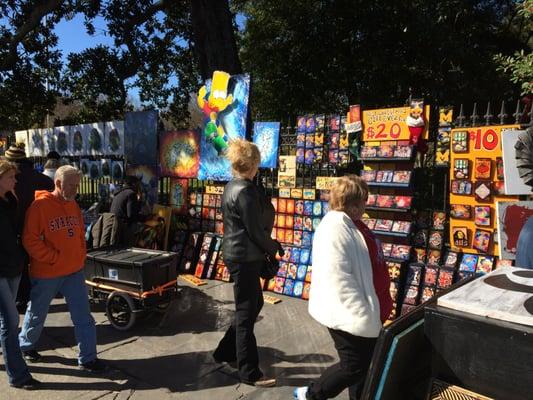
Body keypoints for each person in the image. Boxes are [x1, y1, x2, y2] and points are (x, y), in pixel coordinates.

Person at [294, 175, 392, 400]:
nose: (366, 206)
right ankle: (311, 394)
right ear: (353, 203)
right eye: (363, 201)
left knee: (363, 366)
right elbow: (338, 279)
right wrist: (363, 315)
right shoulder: (335, 229)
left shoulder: (352, 224)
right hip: (350, 314)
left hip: (366, 311)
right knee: (353, 366)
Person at [19, 165, 106, 372]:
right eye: (72, 185)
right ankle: (26, 345)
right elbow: (29, 240)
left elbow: (78, 233)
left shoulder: (72, 203)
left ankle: (88, 358)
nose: (76, 189)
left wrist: (81, 253)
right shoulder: (39, 206)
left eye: (77, 185)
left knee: (84, 317)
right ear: (58, 183)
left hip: (74, 271)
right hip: (48, 272)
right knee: (37, 312)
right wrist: (52, 257)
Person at [212, 139, 283, 387]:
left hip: (239, 254)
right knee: (246, 311)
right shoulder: (245, 191)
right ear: (253, 165)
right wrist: (274, 247)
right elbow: (255, 231)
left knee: (252, 305)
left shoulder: (233, 186)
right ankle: (249, 371)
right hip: (244, 257)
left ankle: (225, 351)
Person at [0, 159, 40, 389]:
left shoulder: (10, 200)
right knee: (11, 320)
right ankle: (18, 375)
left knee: (6, 320)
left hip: (13, 266)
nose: (15, 180)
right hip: (1, 270)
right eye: (11, 177)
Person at [4, 144, 54, 312]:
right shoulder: (38, 177)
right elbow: (50, 185)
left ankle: (18, 302)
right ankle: (28, 299)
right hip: (36, 228)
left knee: (17, 269)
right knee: (32, 266)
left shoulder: (11, 178)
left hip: (14, 230)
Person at [109, 175, 147, 246]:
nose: (139, 187)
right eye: (138, 184)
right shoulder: (131, 194)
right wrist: (145, 219)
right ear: (134, 184)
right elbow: (131, 215)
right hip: (122, 229)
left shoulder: (119, 193)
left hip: (115, 227)